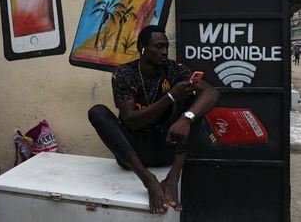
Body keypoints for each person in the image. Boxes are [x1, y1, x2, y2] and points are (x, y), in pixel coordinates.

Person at [88, 25, 220, 214]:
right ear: (142, 48)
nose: (164, 51)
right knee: (97, 112)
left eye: (166, 46)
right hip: (134, 152)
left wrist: (186, 118)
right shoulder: (124, 73)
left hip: (166, 146)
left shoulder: (174, 70)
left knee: (195, 103)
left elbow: (211, 92)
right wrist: (171, 97)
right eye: (158, 47)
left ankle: (173, 179)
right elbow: (131, 120)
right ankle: (148, 180)